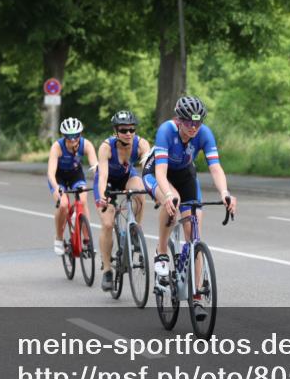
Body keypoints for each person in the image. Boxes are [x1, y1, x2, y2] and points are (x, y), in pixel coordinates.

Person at [143, 96, 237, 320]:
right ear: (178, 120)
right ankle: (162, 252)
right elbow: (161, 173)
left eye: (198, 123)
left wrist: (224, 192)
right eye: (189, 123)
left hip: (185, 175)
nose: (194, 128)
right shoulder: (167, 131)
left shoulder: (204, 133)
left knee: (194, 234)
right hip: (157, 173)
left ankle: (196, 296)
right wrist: (166, 195)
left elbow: (215, 168)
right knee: (172, 200)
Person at [94, 110, 151, 292]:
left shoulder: (141, 144)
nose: (128, 133)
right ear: (115, 131)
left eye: (131, 129)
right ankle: (107, 270)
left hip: (127, 177)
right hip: (108, 181)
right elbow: (102, 175)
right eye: (123, 130)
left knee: (140, 190)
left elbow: (149, 169)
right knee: (108, 223)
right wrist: (103, 195)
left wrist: (157, 190)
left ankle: (135, 230)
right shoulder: (106, 147)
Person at [46, 117, 99, 256]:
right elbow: (50, 173)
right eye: (69, 137)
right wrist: (56, 187)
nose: (73, 140)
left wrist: (100, 180)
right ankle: (58, 238)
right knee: (63, 204)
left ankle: (87, 241)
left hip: (75, 174)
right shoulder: (57, 147)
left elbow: (95, 167)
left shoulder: (86, 145)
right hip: (59, 177)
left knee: (83, 199)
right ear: (64, 137)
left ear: (80, 135)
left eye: (76, 136)